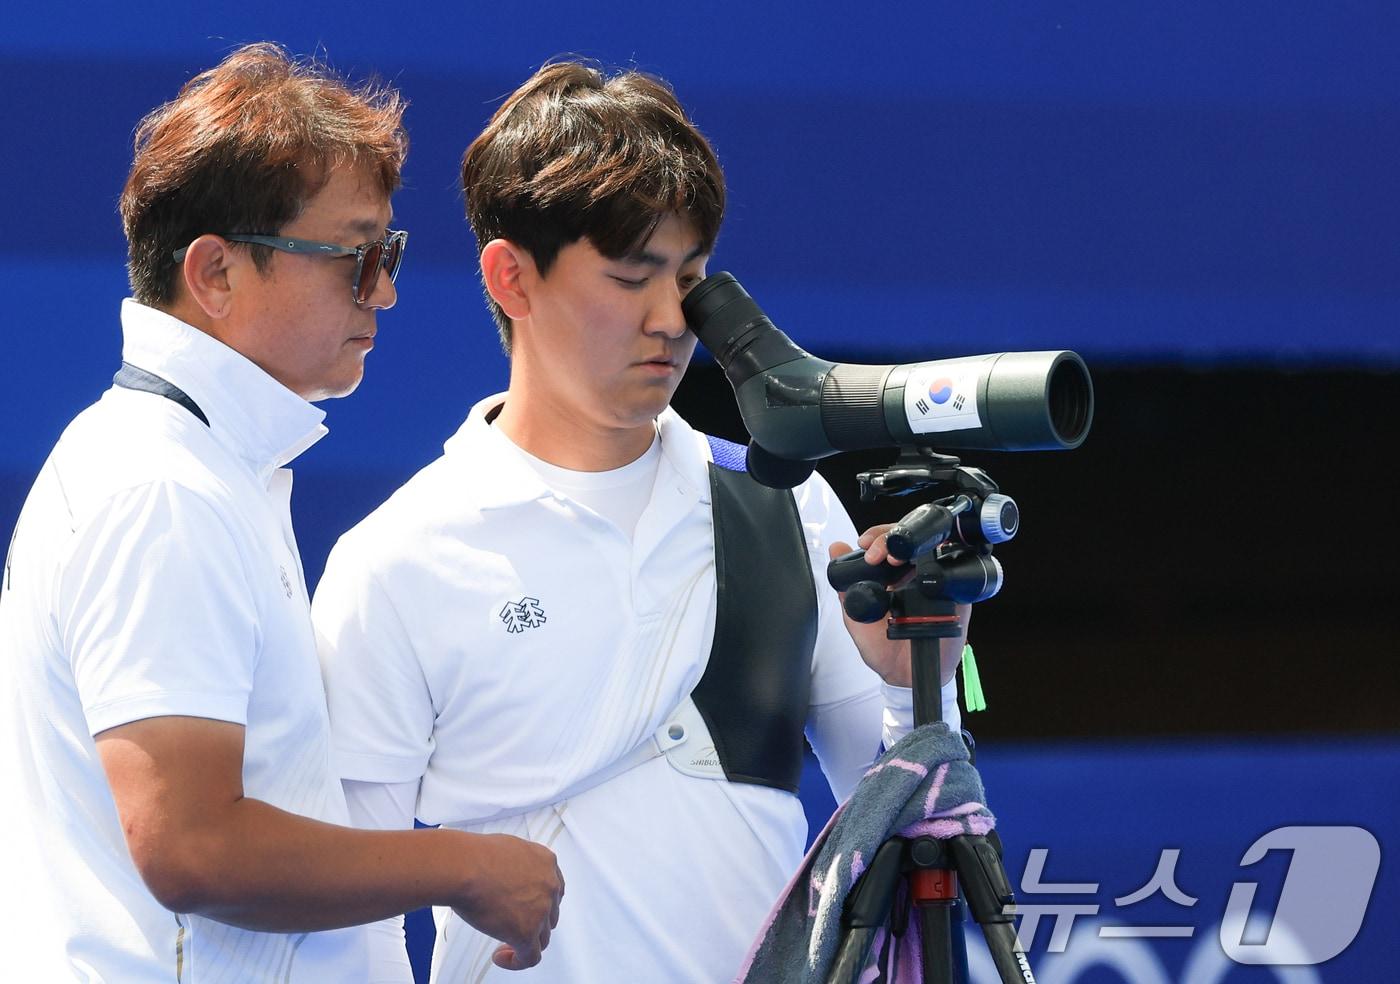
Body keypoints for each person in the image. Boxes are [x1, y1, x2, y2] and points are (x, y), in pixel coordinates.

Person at [311, 59, 967, 982]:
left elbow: (913, 823)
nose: (671, 319)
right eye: (630, 278)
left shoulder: (785, 501)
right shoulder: (397, 557)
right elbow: (353, 910)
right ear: (511, 278)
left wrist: (917, 681)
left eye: (690, 278)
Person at [0, 43, 562, 983]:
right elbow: (191, 848)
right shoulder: (162, 486)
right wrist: (462, 864)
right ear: (215, 274)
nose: (384, 290)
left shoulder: (192, 465)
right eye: (355, 256)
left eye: (389, 252)